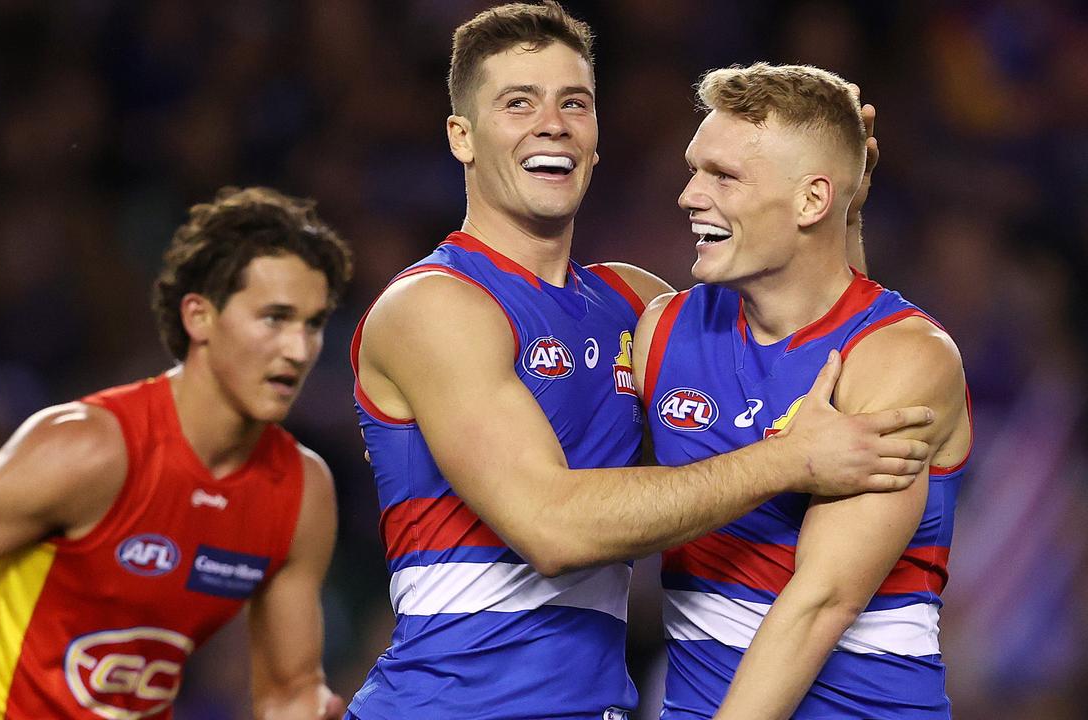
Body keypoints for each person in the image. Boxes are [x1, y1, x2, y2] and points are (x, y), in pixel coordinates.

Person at [346, 4, 935, 719]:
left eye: (574, 103)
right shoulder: (434, 307)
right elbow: (550, 528)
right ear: (461, 138)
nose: (552, 123)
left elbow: (820, 353)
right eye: (517, 103)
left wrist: (833, 211)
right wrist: (787, 462)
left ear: (595, 140)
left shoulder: (641, 308)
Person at [0, 186, 353, 720]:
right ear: (199, 317)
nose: (298, 349)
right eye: (275, 318)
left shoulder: (301, 490)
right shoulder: (91, 448)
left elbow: (289, 694)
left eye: (313, 324)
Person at [634, 64, 971, 719]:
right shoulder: (662, 333)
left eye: (723, 176)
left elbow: (821, 602)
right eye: (694, 168)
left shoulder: (907, 357)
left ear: (813, 201)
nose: (688, 195)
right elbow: (610, 503)